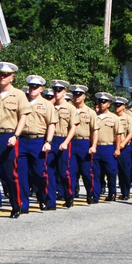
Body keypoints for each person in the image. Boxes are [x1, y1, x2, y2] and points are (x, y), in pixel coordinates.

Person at [0, 62, 31, 221]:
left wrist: (16, 135)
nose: (3, 77)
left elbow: (23, 116)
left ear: (12, 78)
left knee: (10, 174)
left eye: (6, 75)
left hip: (8, 137)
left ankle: (16, 204)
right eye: (1, 74)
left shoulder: (19, 95)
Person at [18, 75, 56, 213]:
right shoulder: (22, 102)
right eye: (30, 87)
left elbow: (51, 124)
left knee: (39, 173)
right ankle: (23, 203)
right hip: (22, 140)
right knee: (21, 173)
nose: (32, 89)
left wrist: (48, 141)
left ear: (41, 89)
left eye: (35, 87)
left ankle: (43, 197)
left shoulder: (47, 105)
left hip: (38, 141)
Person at [48, 80, 77, 208]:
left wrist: (66, 142)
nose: (57, 92)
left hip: (63, 140)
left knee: (64, 172)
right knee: (49, 171)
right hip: (51, 140)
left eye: (59, 90)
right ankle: (50, 201)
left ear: (64, 92)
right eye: (55, 90)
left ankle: (68, 195)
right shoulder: (49, 106)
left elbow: (73, 127)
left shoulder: (71, 108)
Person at [91, 92, 121, 202]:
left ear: (108, 104)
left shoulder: (114, 118)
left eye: (104, 102)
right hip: (97, 148)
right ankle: (96, 195)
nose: (101, 104)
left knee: (111, 172)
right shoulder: (94, 116)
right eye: (100, 101)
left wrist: (117, 149)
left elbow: (118, 134)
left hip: (108, 147)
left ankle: (112, 193)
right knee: (96, 173)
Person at [70, 85, 98, 204]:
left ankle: (90, 193)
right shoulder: (69, 110)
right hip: (71, 142)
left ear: (84, 96)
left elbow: (95, 130)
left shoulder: (90, 112)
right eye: (75, 94)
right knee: (70, 171)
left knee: (86, 172)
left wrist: (94, 146)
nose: (77, 97)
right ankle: (69, 196)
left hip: (84, 143)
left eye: (79, 94)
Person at [113, 97, 132, 200]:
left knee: (124, 171)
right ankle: (112, 192)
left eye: (119, 105)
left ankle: (125, 192)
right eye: (115, 105)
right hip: (112, 145)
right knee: (112, 170)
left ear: (123, 106)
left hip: (124, 147)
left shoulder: (128, 118)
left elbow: (131, 132)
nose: (117, 107)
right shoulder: (112, 117)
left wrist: (123, 143)